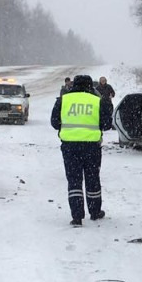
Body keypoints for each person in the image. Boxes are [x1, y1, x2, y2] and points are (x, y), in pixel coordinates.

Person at [51, 74, 112, 225]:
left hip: (70, 147)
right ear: (90, 86)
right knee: (92, 179)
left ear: (74, 85)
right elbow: (106, 124)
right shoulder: (98, 101)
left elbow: (54, 122)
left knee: (74, 181)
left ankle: (77, 216)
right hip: (91, 147)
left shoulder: (63, 100)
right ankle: (95, 211)